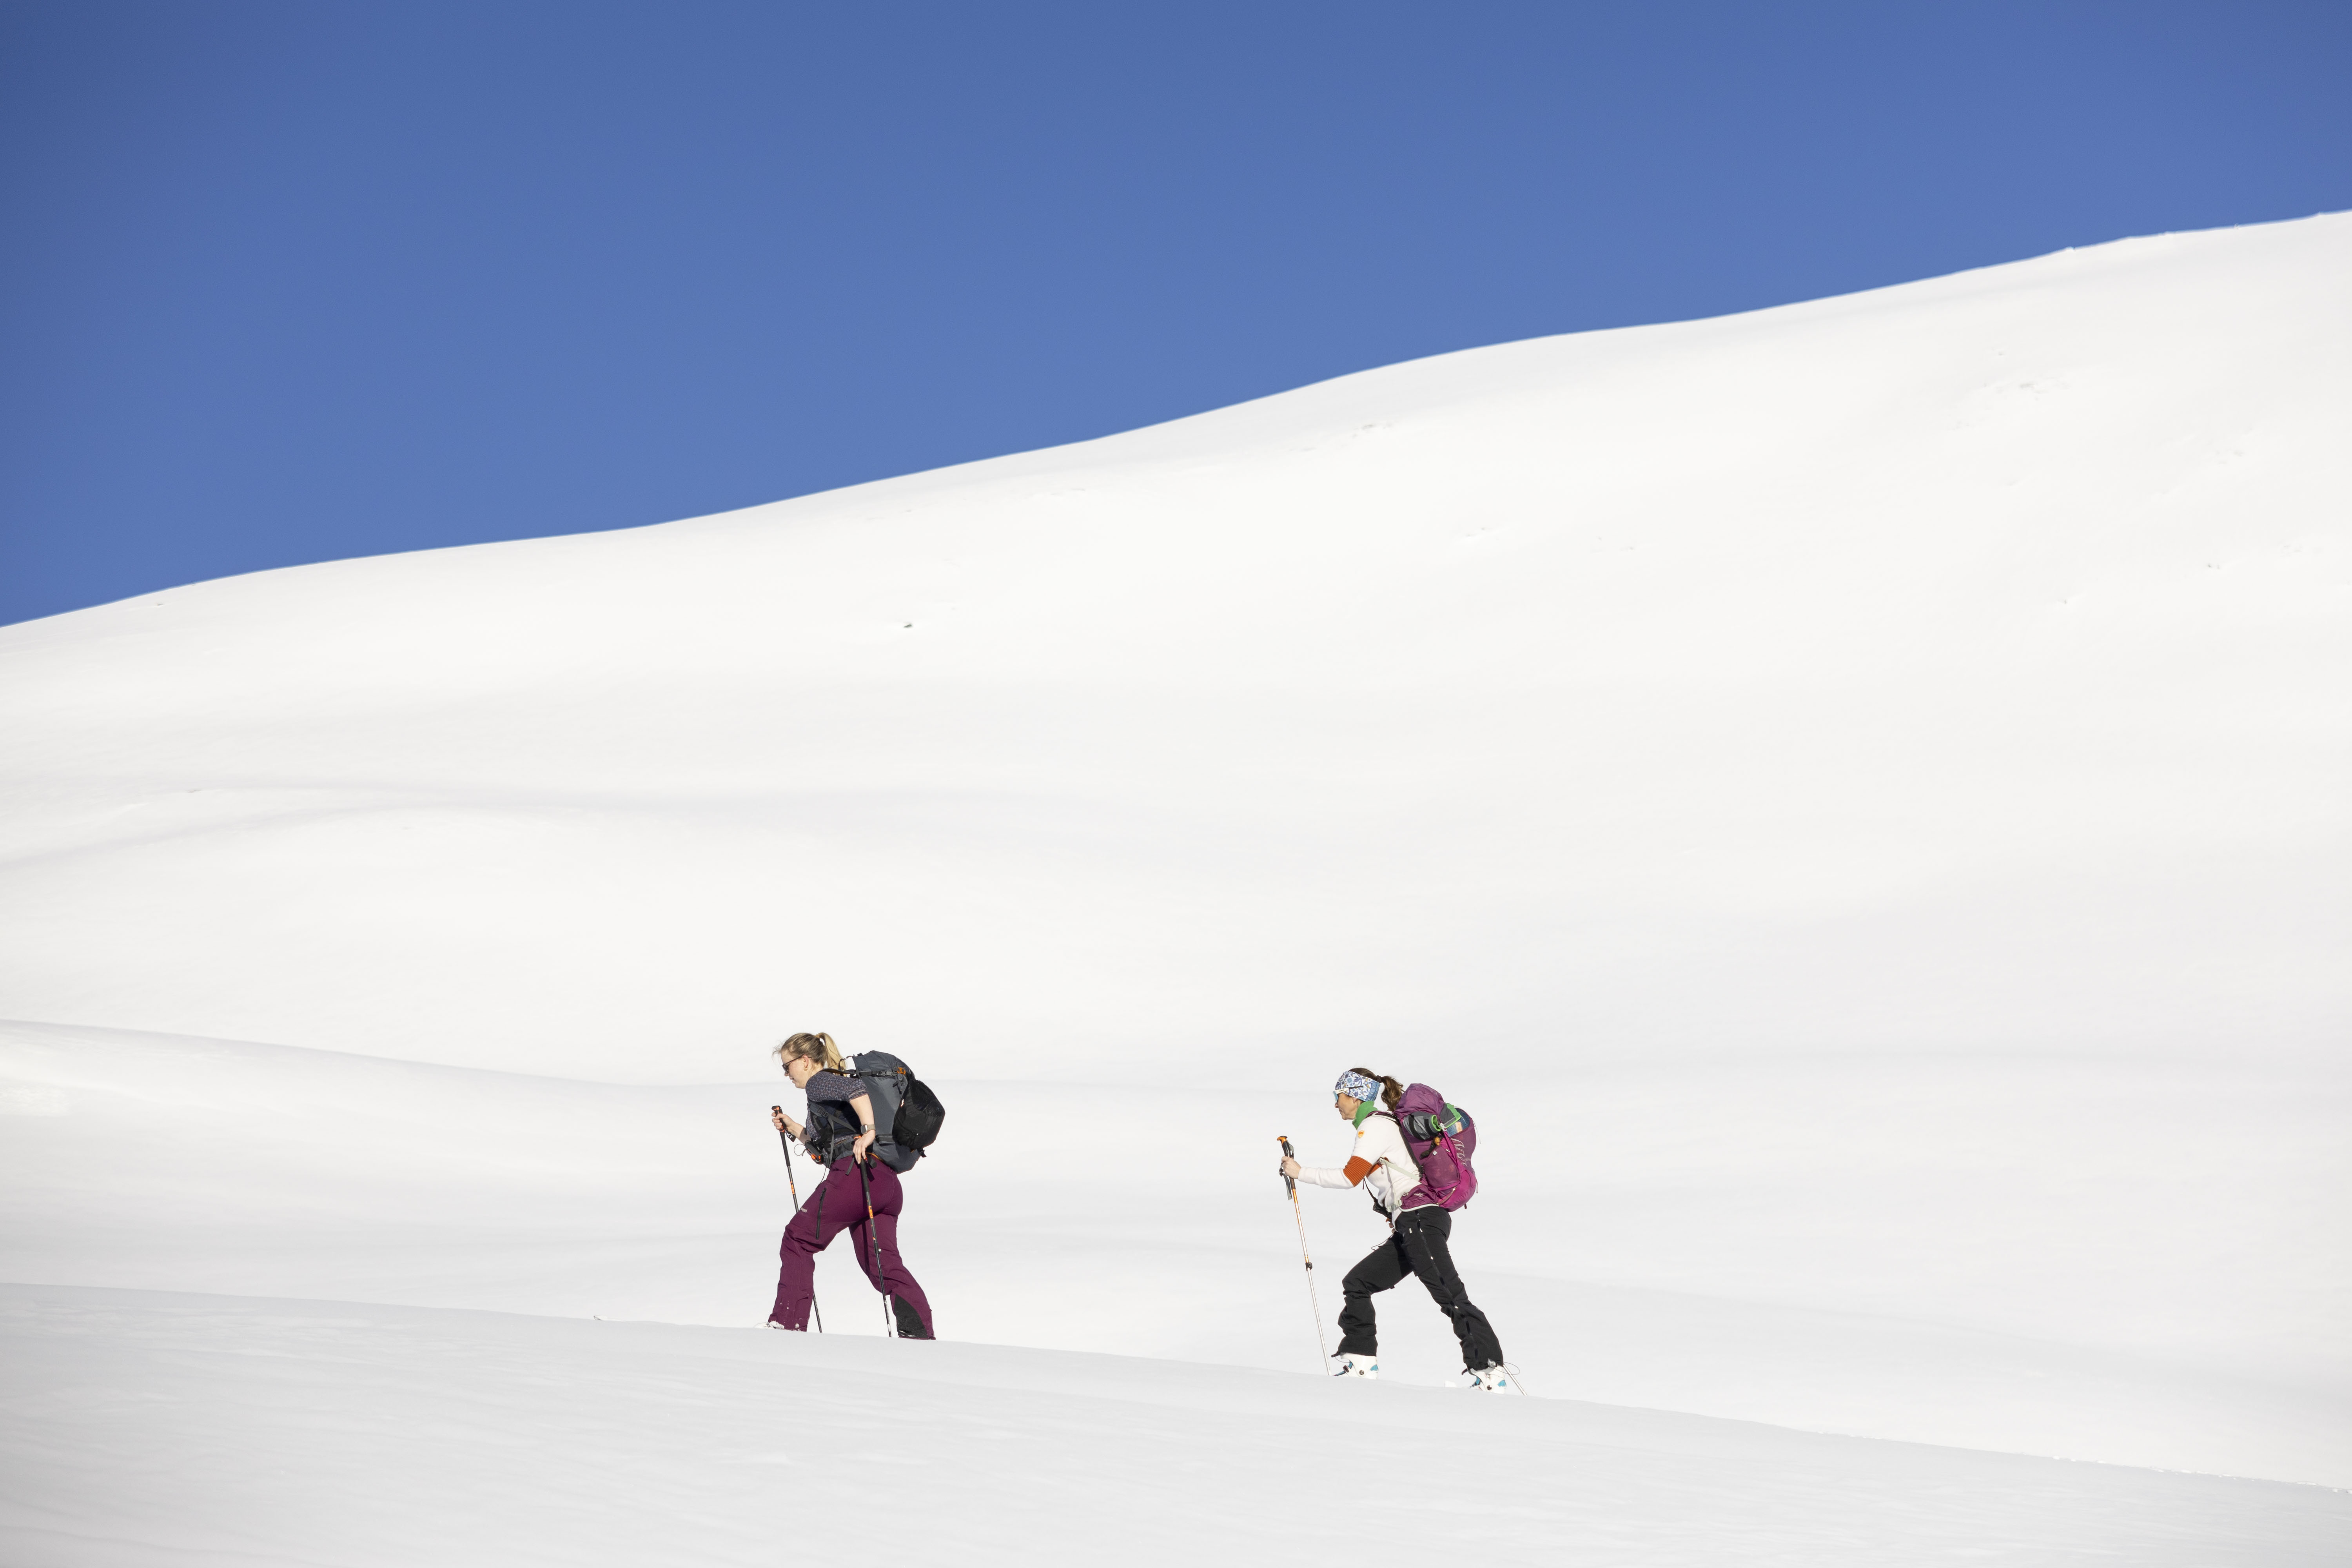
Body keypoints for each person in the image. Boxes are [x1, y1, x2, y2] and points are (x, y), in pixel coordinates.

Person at [1280, 1067, 1510, 1390]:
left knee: (1450, 1294)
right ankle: (1360, 1361)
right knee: (1358, 1283)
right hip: (1413, 1223)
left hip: (1420, 1220)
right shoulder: (1382, 1125)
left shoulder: (1375, 1127)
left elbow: (1350, 1177)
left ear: (1356, 1096)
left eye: (1338, 1097)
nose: (1336, 1105)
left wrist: (1300, 1172)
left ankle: (1489, 1373)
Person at [767, 1031, 934, 1339]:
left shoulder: (821, 1081)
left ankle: (786, 1326)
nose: (786, 1074)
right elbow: (823, 1152)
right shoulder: (823, 1093)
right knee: (882, 1265)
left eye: (787, 1066)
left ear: (805, 1061)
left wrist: (869, 1130)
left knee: (797, 1239)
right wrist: (793, 1128)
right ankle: (920, 1334)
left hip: (854, 1177)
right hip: (884, 1183)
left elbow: (855, 1088)